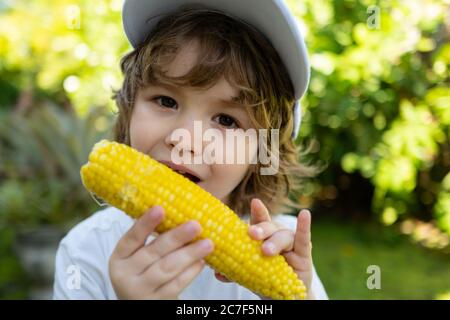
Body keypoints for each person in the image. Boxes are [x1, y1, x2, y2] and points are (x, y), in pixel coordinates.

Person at [53, 0, 328, 300]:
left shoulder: (280, 249)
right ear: (128, 108)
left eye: (226, 120)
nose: (185, 140)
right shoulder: (86, 251)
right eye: (166, 101)